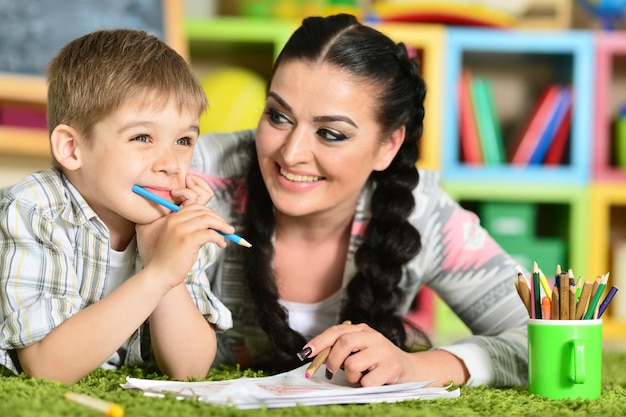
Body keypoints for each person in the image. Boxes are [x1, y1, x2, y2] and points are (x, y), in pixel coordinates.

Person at [191, 13, 528, 388]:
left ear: (388, 146)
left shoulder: (423, 211)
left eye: (331, 133)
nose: (291, 153)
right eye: (278, 116)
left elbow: (545, 334)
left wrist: (414, 368)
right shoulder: (200, 172)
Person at [0, 29, 235, 385]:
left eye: (184, 140)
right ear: (71, 148)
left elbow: (189, 371)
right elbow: (47, 368)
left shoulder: (175, 224)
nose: (172, 163)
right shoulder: (33, 210)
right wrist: (157, 275)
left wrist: (166, 264)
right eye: (142, 137)